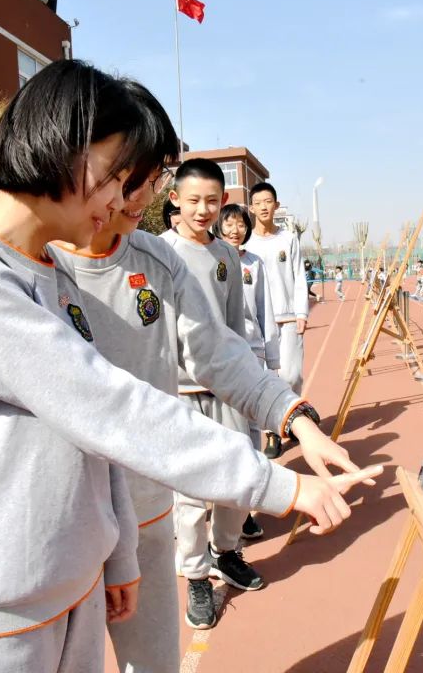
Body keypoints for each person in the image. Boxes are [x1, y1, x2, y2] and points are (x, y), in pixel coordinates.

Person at [0, 60, 380, 673]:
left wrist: (117, 555)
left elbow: (106, 433)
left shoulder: (55, 274)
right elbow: (106, 406)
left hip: (73, 566)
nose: (127, 200)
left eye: (138, 180)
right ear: (65, 145)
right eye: (119, 176)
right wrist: (282, 485)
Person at [161, 159, 284, 629]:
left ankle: (226, 552)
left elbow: (234, 326)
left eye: (212, 200)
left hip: (227, 387)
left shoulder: (228, 256)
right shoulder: (161, 252)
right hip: (181, 388)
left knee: (238, 476)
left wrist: (247, 374)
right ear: (174, 199)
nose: (203, 209)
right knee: (192, 491)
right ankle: (195, 577)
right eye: (193, 200)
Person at [217, 203, 284, 461]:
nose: (235, 229)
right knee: (230, 416)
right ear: (220, 225)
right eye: (229, 223)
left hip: (252, 350)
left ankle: (258, 470)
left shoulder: (254, 263)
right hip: (223, 351)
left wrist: (273, 358)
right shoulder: (213, 259)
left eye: (241, 224)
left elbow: (264, 310)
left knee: (253, 414)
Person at [247, 183, 309, 397]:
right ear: (251, 208)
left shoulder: (289, 239)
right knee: (267, 380)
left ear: (276, 205)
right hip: (259, 321)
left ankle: (293, 419)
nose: (263, 207)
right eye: (258, 203)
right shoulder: (246, 243)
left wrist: (301, 313)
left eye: (268, 202)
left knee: (292, 376)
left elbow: (300, 276)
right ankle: (277, 426)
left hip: (289, 317)